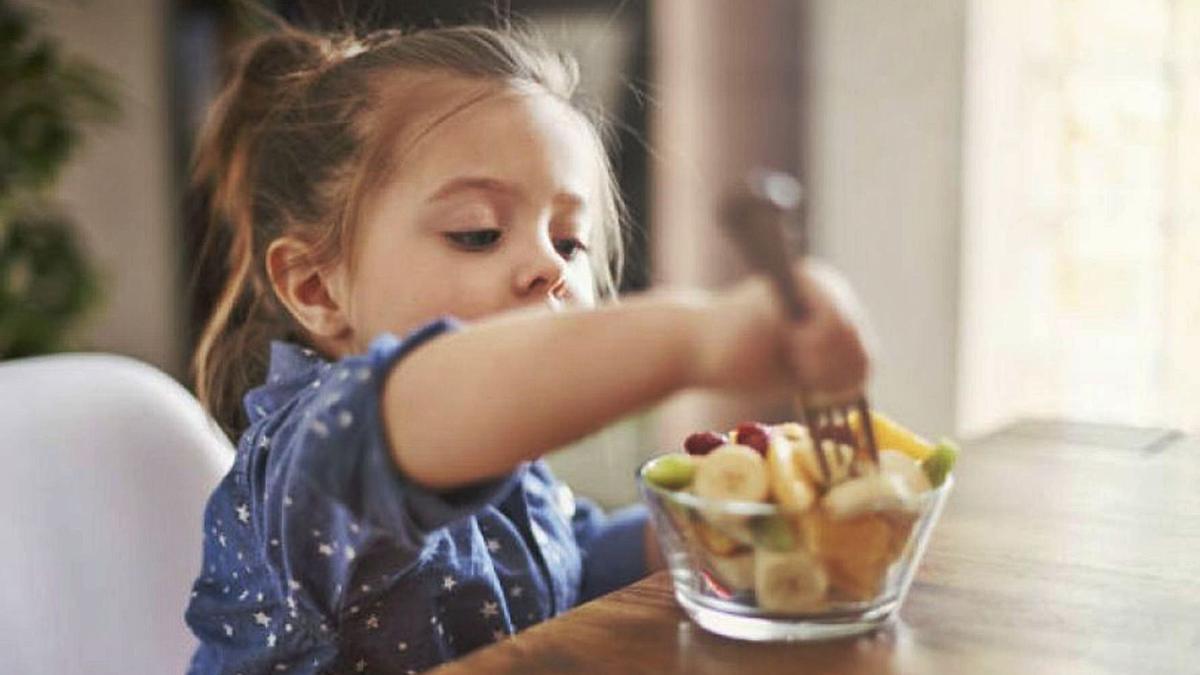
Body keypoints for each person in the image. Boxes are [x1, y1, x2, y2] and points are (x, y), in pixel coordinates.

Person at [184, 23, 871, 675]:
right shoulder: (309, 462)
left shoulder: (508, 469)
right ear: (316, 288)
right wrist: (697, 335)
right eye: (478, 233)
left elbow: (571, 562)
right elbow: (434, 398)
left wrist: (705, 522)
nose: (551, 267)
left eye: (569, 241)